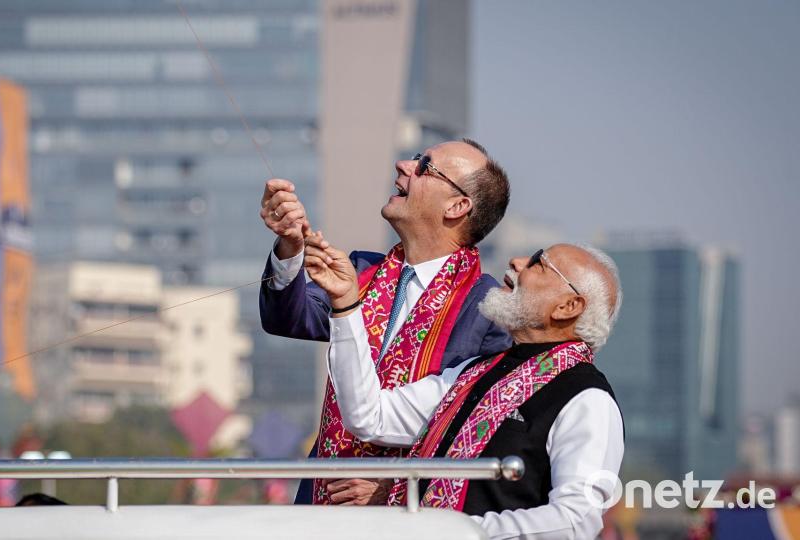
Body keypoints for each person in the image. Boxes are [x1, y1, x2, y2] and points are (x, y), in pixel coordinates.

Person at [307, 237, 624, 539]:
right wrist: (346, 305)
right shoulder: (473, 373)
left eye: (539, 263)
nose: (517, 262)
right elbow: (368, 415)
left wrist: (453, 530)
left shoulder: (587, 397)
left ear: (568, 306)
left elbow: (575, 521)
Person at [258, 139, 513, 504]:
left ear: (457, 206)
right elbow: (287, 318)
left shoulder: (490, 311)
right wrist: (289, 246)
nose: (403, 166)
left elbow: (478, 434)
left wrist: (396, 487)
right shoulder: (361, 272)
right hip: (320, 504)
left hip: (404, 519)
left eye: (425, 166)